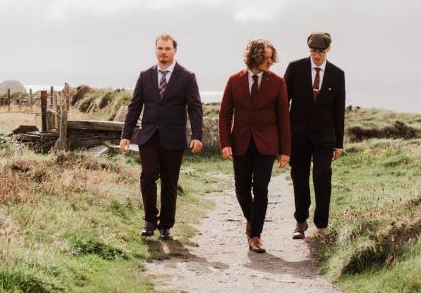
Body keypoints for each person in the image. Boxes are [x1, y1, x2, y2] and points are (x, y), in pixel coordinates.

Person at [120, 34, 203, 240]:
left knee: (169, 182)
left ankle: (166, 225)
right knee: (148, 176)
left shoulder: (187, 77)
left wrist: (197, 135)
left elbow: (195, 108)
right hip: (148, 136)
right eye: (160, 48)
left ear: (175, 50)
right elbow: (134, 107)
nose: (163, 52)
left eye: (167, 49)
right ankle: (149, 221)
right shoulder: (145, 75)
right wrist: (126, 135)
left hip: (174, 138)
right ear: (155, 50)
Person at [218, 39, 291, 253]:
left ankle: (255, 235)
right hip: (240, 142)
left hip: (266, 145)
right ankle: (251, 219)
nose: (270, 62)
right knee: (241, 188)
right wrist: (225, 143)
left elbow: (283, 118)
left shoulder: (278, 82)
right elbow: (224, 115)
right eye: (266, 58)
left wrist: (285, 151)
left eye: (272, 58)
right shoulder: (234, 80)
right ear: (254, 57)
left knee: (261, 189)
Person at [284, 32, 345, 239]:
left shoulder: (337, 74)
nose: (316, 56)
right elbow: (283, 104)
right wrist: (284, 138)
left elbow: (339, 111)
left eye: (320, 52)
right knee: (299, 177)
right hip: (298, 135)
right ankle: (300, 222)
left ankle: (321, 225)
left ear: (328, 50)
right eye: (313, 51)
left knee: (322, 175)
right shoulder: (295, 68)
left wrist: (339, 144)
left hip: (325, 137)